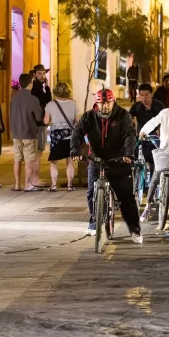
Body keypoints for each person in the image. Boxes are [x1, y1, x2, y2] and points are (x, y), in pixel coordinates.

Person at [70, 88, 143, 243]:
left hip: (119, 160)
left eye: (108, 102)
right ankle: (93, 222)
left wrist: (128, 154)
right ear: (96, 103)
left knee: (126, 197)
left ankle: (135, 230)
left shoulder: (122, 115)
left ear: (113, 101)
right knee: (91, 192)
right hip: (96, 160)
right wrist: (75, 150)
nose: (105, 106)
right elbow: (77, 132)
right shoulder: (89, 117)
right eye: (101, 103)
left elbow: (129, 134)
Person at [138, 94, 169, 223]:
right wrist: (144, 131)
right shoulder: (164, 114)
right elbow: (153, 121)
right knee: (155, 177)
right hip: (164, 151)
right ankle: (148, 206)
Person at [10, 73, 43, 191]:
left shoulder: (14, 98)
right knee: (29, 159)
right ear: (30, 84)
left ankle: (17, 184)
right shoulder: (33, 99)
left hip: (16, 132)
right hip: (29, 132)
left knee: (17, 159)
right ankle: (28, 184)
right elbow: (39, 117)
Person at [44, 82, 77, 190]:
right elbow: (77, 121)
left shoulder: (50, 104)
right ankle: (69, 185)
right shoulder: (73, 104)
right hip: (69, 135)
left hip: (56, 137)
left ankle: (53, 185)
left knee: (54, 161)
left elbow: (46, 121)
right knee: (70, 161)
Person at [130, 83, 164, 183]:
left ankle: (154, 181)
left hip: (155, 137)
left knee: (154, 158)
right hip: (141, 136)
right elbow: (129, 119)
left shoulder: (159, 105)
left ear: (151, 94)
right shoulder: (136, 106)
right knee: (134, 155)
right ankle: (138, 180)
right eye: (142, 95)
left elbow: (164, 119)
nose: (144, 98)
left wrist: (160, 129)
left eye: (146, 94)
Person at [30, 64, 52, 186]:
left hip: (38, 123)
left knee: (37, 152)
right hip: (39, 123)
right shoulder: (37, 88)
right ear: (34, 75)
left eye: (44, 73)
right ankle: (35, 179)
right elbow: (48, 101)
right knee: (38, 152)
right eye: (39, 73)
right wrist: (48, 87)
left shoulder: (37, 87)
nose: (42, 76)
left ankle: (34, 178)